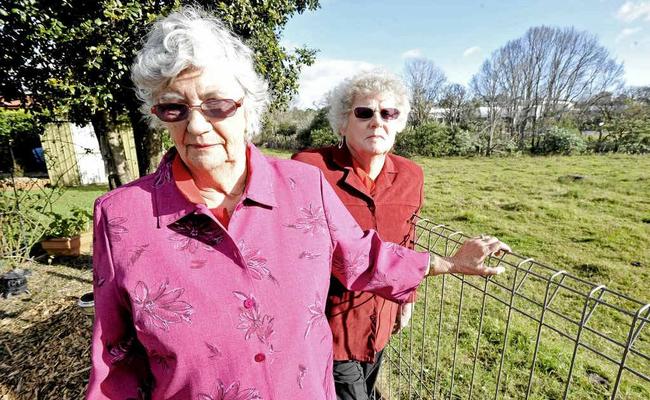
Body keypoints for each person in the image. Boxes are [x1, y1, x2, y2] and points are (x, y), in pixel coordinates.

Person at [86, 6, 510, 400]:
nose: (197, 125)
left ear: (248, 108)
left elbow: (362, 258)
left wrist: (449, 264)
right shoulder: (122, 216)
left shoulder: (303, 186)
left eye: (217, 104)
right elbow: (114, 356)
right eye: (175, 107)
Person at [292, 70, 422, 400]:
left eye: (388, 113)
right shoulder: (311, 168)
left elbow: (408, 239)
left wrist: (407, 296)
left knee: (366, 387)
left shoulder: (411, 175)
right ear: (342, 123)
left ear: (400, 122)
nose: (377, 122)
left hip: (379, 320)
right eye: (364, 113)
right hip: (329, 324)